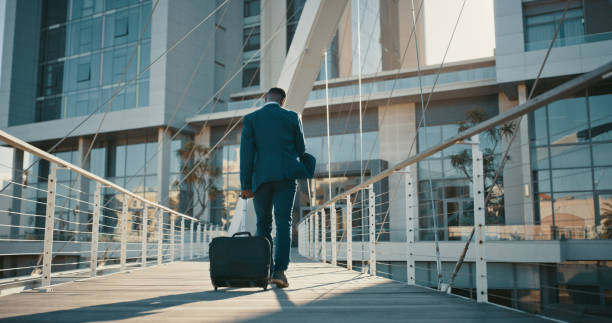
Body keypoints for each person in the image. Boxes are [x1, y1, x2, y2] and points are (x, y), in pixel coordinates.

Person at [239, 87, 312, 288]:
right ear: (283, 101)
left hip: (260, 179)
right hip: (286, 177)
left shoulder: (251, 118)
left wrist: (245, 185)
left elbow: (246, 154)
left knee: (263, 223)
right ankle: (279, 271)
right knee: (283, 222)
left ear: (265, 99)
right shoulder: (292, 117)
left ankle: (263, 269)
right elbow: (301, 149)